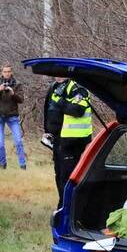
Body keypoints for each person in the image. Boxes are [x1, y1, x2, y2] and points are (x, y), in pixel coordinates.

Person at [43, 76, 93, 205]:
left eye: (61, 72)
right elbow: (48, 110)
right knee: (59, 174)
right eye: (56, 73)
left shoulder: (78, 88)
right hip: (58, 140)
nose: (58, 75)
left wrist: (60, 100)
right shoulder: (54, 87)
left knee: (69, 177)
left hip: (73, 141)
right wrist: (47, 131)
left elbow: (77, 111)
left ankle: (71, 207)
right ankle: (63, 205)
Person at [0, 65, 26, 169]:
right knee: (0, 143)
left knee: (18, 141)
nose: (7, 73)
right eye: (5, 71)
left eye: (9, 71)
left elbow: (21, 100)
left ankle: (23, 165)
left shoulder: (17, 84)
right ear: (2, 72)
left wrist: (13, 93)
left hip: (12, 116)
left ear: (11, 72)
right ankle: (2, 165)